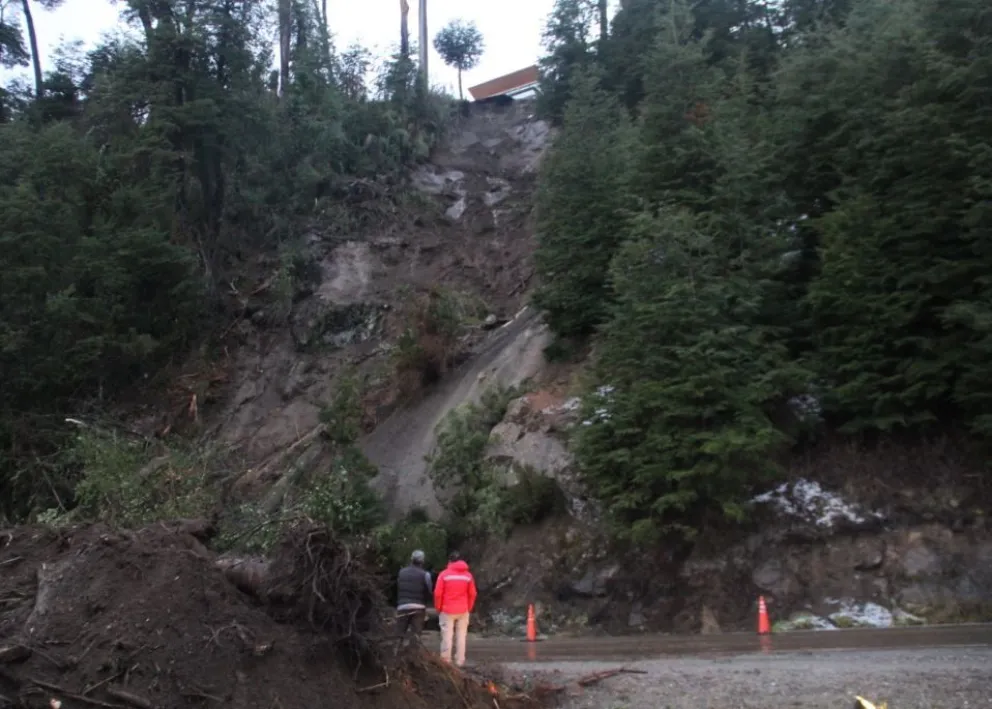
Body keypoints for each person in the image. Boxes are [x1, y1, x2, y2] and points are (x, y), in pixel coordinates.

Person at [433, 551, 477, 667]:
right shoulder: (468, 576)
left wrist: (438, 607)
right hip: (463, 609)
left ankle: (446, 661)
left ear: (449, 561)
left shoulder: (444, 575)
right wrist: (469, 607)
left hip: (447, 610)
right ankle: (460, 661)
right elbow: (472, 593)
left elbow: (437, 593)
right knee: (461, 636)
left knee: (447, 636)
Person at [395, 549, 433, 648]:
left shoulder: (401, 572)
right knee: (416, 635)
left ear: (411, 559)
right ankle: (414, 654)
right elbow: (429, 591)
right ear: (422, 561)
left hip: (402, 606)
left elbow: (399, 587)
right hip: (418, 608)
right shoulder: (425, 574)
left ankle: (395, 653)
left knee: (399, 634)